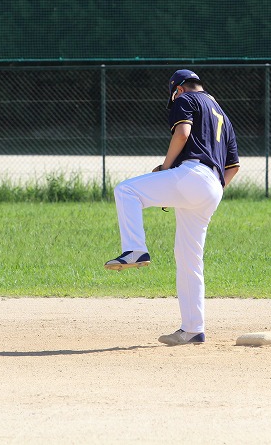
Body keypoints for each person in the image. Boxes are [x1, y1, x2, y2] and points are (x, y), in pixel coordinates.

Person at [104, 69, 240, 346]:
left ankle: (135, 249)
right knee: (189, 258)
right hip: (214, 187)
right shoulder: (223, 116)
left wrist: (166, 169)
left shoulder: (186, 98)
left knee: (126, 191)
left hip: (194, 175)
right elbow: (234, 167)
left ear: (178, 89)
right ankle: (193, 329)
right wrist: (207, 192)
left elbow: (182, 133)